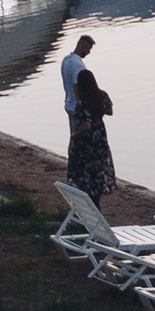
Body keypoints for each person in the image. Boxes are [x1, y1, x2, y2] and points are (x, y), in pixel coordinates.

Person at [64, 63, 118, 199]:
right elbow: (109, 111)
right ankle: (96, 198)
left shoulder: (82, 102)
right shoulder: (102, 96)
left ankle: (89, 204)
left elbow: (86, 125)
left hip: (87, 142)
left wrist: (75, 135)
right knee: (98, 172)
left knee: (84, 174)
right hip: (100, 136)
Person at [60, 34, 94, 113]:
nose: (89, 52)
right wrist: (82, 105)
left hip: (69, 105)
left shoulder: (66, 60)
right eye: (89, 49)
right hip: (77, 108)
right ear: (83, 46)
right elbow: (77, 86)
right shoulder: (78, 65)